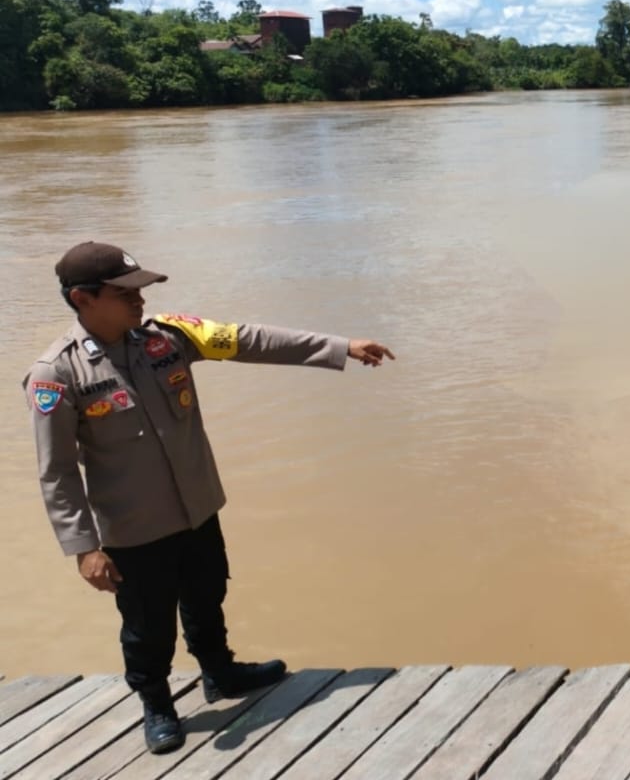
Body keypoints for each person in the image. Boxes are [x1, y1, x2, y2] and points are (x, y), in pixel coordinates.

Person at [22, 242, 395, 755]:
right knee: (148, 626)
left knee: (207, 595)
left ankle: (220, 673)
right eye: (124, 292)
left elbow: (248, 340)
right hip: (134, 529)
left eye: (141, 290)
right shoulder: (56, 375)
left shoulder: (169, 337)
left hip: (197, 509)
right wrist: (84, 548)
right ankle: (157, 705)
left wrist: (339, 346)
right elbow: (57, 472)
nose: (139, 301)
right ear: (83, 299)